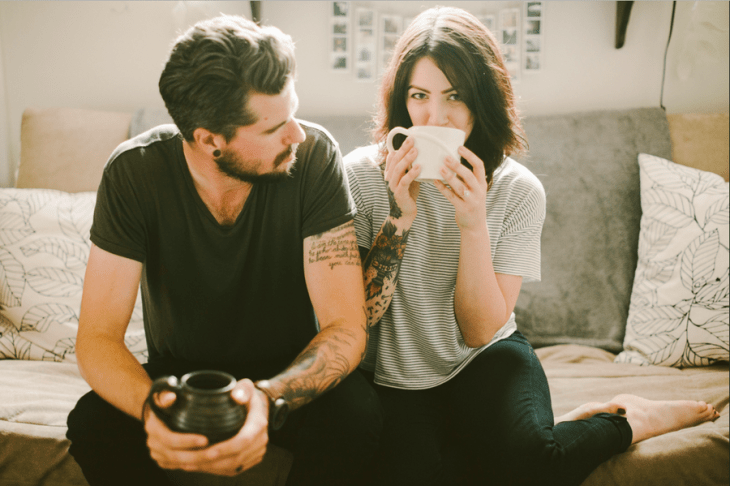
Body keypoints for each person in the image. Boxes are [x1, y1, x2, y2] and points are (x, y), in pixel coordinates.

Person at [344, 7, 719, 486]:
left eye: (455, 96)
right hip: (398, 376)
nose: (434, 117)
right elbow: (357, 320)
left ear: (483, 100)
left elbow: (481, 332)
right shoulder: (361, 175)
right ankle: (569, 426)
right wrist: (400, 218)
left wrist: (473, 223)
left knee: (532, 463)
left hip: (487, 360)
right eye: (419, 96)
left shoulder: (519, 191)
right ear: (402, 102)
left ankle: (630, 422)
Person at [66, 15, 381, 486]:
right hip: (181, 376)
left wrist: (270, 397)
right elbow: (98, 338)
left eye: (293, 112)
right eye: (275, 126)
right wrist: (153, 409)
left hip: (289, 370)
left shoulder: (315, 157)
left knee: (359, 416)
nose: (296, 133)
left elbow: (346, 326)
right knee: (93, 425)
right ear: (210, 140)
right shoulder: (133, 173)